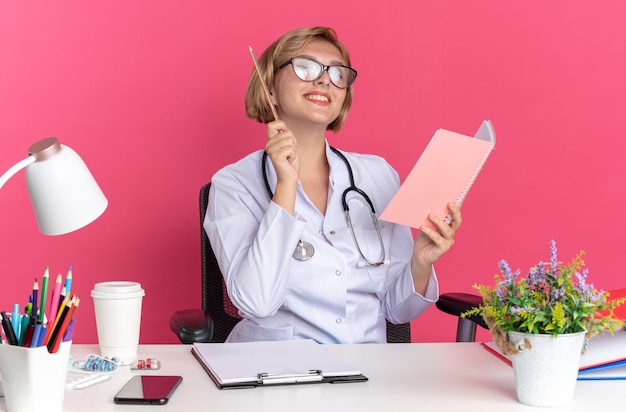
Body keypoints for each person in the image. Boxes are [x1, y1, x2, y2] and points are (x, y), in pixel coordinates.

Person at [203, 26, 461, 343]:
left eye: (338, 73)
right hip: (276, 372)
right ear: (270, 89)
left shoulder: (378, 176)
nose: (325, 80)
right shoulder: (233, 184)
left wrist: (420, 262)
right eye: (306, 67)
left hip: (368, 375)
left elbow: (397, 310)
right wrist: (285, 187)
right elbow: (256, 302)